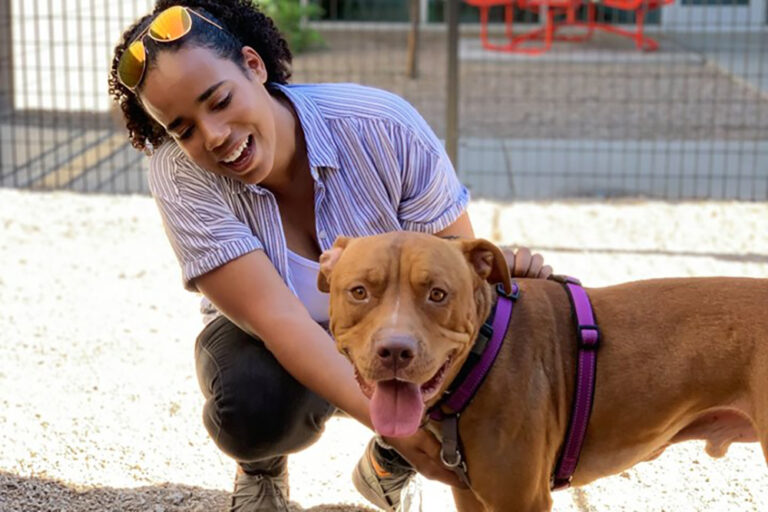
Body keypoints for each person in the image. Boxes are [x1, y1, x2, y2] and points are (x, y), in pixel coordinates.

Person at [108, 1, 551, 510]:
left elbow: (454, 285)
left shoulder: (382, 125)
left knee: (469, 344)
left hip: (395, 327)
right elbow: (281, 322)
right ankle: (265, 464)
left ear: (254, 66)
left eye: (220, 100)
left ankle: (387, 461)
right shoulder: (178, 174)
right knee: (250, 401)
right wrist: (406, 428)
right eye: (182, 128)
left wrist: (498, 274)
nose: (213, 135)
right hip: (272, 338)